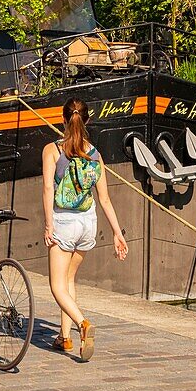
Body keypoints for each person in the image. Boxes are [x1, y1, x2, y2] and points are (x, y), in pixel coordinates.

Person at [42, 98, 127, 361]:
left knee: (56, 286)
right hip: (88, 223)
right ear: (87, 121)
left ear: (63, 119)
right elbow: (105, 199)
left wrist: (48, 224)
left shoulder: (53, 150)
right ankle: (64, 337)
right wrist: (117, 233)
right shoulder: (95, 155)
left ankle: (82, 324)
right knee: (69, 279)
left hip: (64, 222)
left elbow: (47, 189)